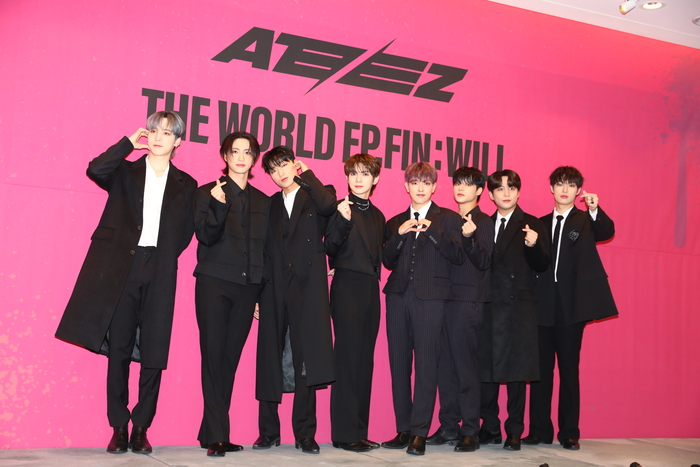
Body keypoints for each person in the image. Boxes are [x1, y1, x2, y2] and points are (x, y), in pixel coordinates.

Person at [55, 111, 197, 454]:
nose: (158, 137)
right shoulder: (124, 171)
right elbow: (96, 169)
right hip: (123, 267)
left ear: (178, 142)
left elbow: (185, 231)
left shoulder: (187, 184)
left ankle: (141, 428)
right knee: (118, 348)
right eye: (154, 130)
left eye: (167, 133)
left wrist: (163, 255)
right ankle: (119, 427)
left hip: (160, 268)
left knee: (154, 350)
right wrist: (126, 145)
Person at [523, 166, 617, 451]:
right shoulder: (539, 223)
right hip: (542, 305)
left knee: (568, 370)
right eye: (560, 184)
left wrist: (595, 209)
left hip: (571, 307)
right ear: (551, 188)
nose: (565, 189)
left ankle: (569, 433)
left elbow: (607, 231)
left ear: (578, 191)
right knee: (540, 372)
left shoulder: (586, 220)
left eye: (571, 185)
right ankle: (539, 430)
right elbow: (534, 261)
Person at [253, 146, 336, 455]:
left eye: (284, 165)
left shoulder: (316, 194)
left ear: (294, 164)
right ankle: (268, 432)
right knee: (269, 357)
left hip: (307, 288)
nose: (280, 173)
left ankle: (305, 433)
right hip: (273, 287)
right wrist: (257, 295)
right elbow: (262, 250)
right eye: (273, 170)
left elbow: (329, 206)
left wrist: (307, 175)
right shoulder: (269, 204)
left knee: (305, 360)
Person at [192, 132, 270, 457]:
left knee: (229, 360)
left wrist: (260, 294)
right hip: (214, 282)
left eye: (247, 152)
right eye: (234, 151)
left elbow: (266, 251)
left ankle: (210, 430)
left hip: (248, 288)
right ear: (224, 156)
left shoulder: (264, 201)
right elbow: (205, 236)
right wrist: (219, 207)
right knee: (213, 357)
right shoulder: (206, 193)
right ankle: (218, 435)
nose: (240, 157)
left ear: (254, 159)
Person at [381, 162, 466, 456]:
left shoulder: (448, 218)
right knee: (399, 364)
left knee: (427, 365)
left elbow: (458, 256)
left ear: (434, 187)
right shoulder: (395, 221)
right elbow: (387, 260)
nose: (420, 187)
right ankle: (403, 429)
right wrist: (399, 234)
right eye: (415, 182)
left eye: (426, 183)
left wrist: (432, 232)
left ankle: (419, 432)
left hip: (431, 300)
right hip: (397, 297)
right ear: (406, 186)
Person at [478, 169, 549, 451]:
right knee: (486, 370)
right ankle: (489, 427)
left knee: (517, 373)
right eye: (500, 189)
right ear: (491, 195)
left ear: (519, 192)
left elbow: (542, 263)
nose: (506, 193)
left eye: (511, 188)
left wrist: (533, 245)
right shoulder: (482, 224)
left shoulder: (532, 224)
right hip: (488, 305)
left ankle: (515, 430)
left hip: (518, 308)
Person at [426, 167, 494, 453]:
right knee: (445, 367)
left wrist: (469, 237)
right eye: (457, 183)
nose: (461, 188)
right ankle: (448, 426)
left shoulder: (484, 222)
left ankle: (470, 430)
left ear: (479, 191)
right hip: (444, 299)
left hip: (469, 301)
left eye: (468, 184)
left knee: (466, 367)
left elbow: (484, 262)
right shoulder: (448, 219)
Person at [324, 154, 386, 453]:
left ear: (375, 179)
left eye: (365, 173)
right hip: (347, 286)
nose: (358, 179)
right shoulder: (340, 208)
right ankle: (344, 434)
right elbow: (330, 247)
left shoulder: (379, 216)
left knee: (364, 362)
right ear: (347, 177)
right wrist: (344, 221)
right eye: (353, 173)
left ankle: (360, 431)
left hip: (371, 289)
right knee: (347, 360)